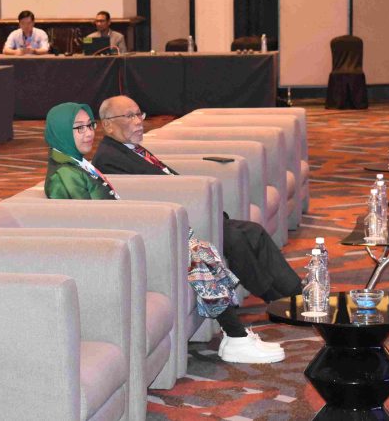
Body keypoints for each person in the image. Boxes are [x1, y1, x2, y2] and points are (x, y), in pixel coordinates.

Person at [44, 102, 285, 364]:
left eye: (89, 125)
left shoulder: (76, 163)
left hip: (121, 238)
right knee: (193, 252)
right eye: (78, 128)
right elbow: (89, 225)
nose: (88, 133)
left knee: (196, 247)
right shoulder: (64, 175)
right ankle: (236, 337)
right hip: (112, 252)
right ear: (60, 131)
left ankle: (235, 335)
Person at [93, 96, 303, 303]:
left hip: (190, 212)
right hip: (172, 224)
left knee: (254, 231)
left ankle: (296, 292)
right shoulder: (108, 158)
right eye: (129, 116)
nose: (139, 121)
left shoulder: (131, 148)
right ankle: (280, 299)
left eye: (139, 114)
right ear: (108, 124)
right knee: (236, 239)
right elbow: (140, 200)